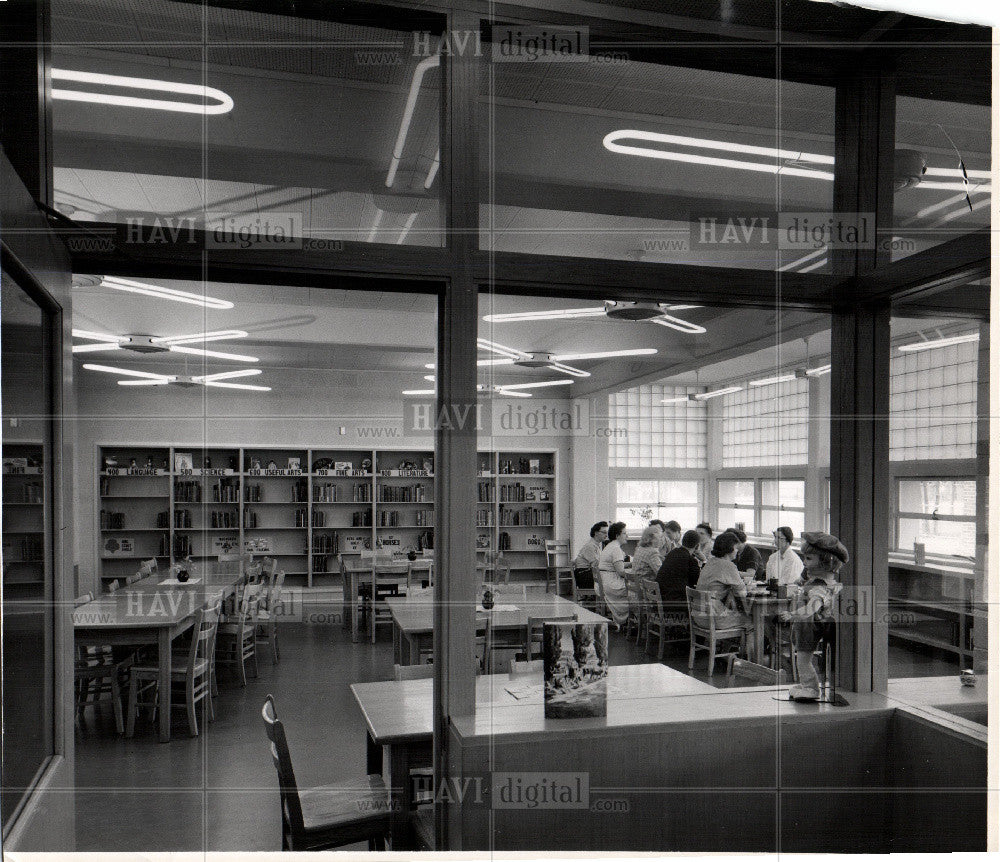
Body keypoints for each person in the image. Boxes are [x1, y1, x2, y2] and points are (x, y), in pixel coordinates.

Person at [777, 531, 848, 701]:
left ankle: (811, 688)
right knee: (802, 658)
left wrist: (791, 614)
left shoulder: (820, 587)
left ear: (825, 562)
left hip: (810, 626)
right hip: (807, 625)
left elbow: (810, 609)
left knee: (803, 660)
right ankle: (805, 685)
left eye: (809, 559)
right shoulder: (819, 582)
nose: (804, 562)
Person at [694, 531, 753, 632]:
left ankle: (727, 647)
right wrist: (746, 586)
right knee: (751, 621)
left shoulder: (710, 562)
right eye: (735, 548)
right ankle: (752, 648)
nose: (737, 550)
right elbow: (742, 593)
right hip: (713, 618)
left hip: (698, 615)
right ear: (729, 549)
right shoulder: (729, 566)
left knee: (733, 612)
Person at [656, 529, 701, 615]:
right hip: (675, 605)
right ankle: (693, 627)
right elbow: (698, 583)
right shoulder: (691, 560)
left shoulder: (672, 553)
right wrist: (704, 560)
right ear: (697, 546)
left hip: (660, 601)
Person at [597, 521, 630, 627]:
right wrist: (635, 576)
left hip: (604, 582)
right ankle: (632, 622)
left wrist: (631, 564)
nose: (627, 536)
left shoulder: (610, 546)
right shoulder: (616, 549)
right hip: (611, 584)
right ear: (617, 535)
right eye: (624, 533)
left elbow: (617, 564)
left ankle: (629, 621)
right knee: (638, 590)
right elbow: (620, 572)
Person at [572, 521, 608, 591]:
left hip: (588, 573)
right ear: (596, 533)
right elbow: (596, 565)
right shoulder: (590, 546)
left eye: (607, 532)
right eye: (604, 532)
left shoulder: (595, 545)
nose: (606, 535)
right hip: (584, 576)